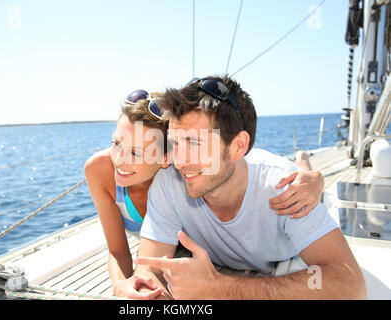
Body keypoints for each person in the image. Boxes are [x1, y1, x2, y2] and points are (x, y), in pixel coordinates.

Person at [132, 75, 366, 300]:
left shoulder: (286, 187)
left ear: (238, 146)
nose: (179, 161)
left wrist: (220, 288)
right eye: (174, 143)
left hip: (284, 254)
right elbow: (148, 272)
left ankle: (303, 161)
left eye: (194, 143)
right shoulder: (168, 180)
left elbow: (351, 286)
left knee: (303, 171)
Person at [84, 89, 326, 299]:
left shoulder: (187, 173)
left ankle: (303, 163)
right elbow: (125, 254)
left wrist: (315, 180)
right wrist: (122, 286)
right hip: (173, 244)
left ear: (167, 157)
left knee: (295, 175)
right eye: (116, 143)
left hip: (192, 242)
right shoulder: (105, 169)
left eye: (136, 153)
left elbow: (238, 165)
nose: (119, 159)